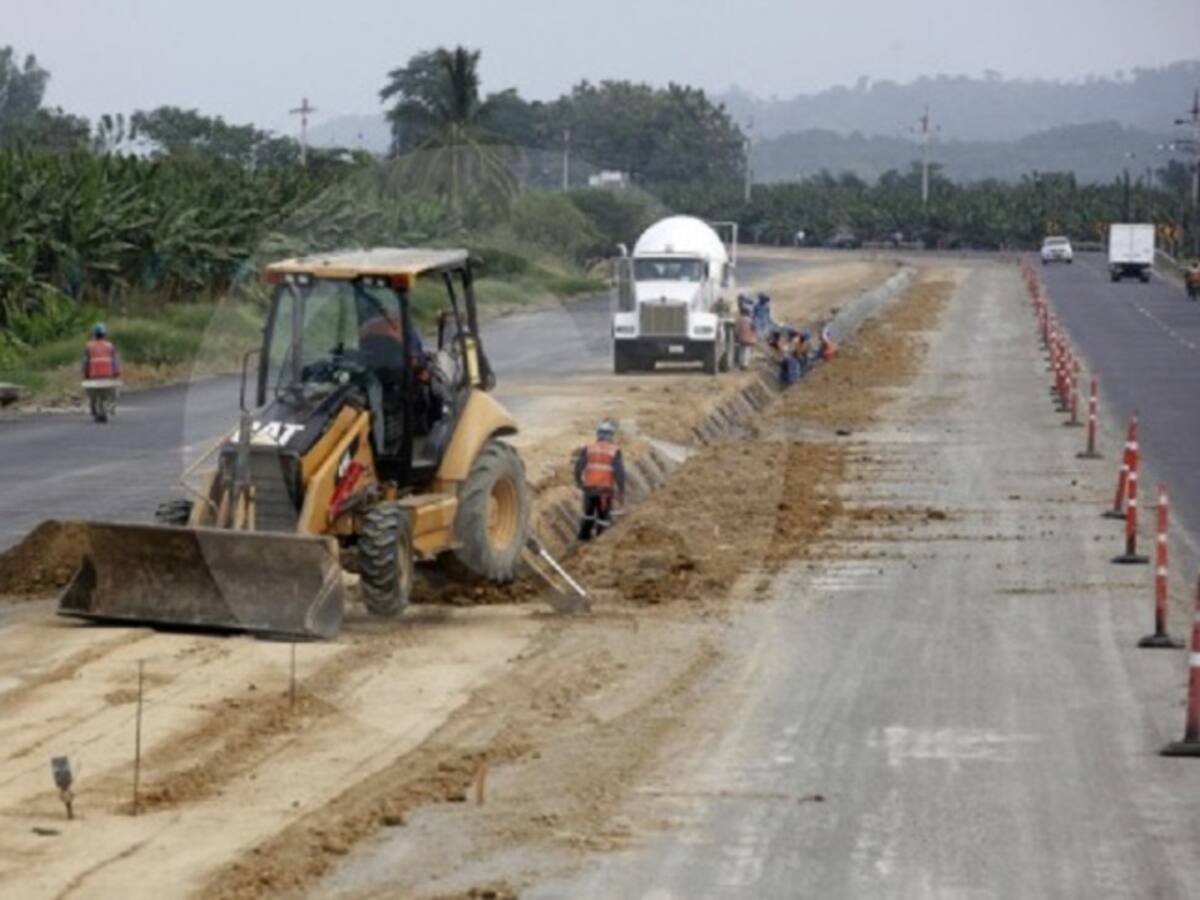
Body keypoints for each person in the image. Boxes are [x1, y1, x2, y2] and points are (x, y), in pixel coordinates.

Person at [574, 418, 626, 541]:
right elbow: (620, 473)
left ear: (598, 434)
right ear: (611, 435)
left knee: (588, 516)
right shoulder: (614, 451)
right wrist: (621, 490)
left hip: (589, 490)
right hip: (605, 491)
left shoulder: (589, 448)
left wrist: (579, 482)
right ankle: (599, 543)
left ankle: (583, 541)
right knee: (603, 519)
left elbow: (578, 467)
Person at [734, 303, 757, 370]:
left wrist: (736, 336)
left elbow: (736, 329)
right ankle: (745, 365)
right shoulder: (750, 320)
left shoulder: (739, 320)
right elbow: (754, 328)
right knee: (747, 351)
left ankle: (741, 364)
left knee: (741, 350)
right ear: (747, 313)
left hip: (741, 338)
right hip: (748, 338)